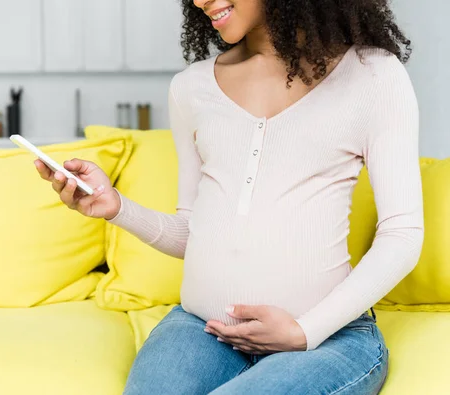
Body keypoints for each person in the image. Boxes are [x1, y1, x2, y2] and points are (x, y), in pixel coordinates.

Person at [35, 0, 424, 393]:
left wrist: (304, 331)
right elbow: (193, 231)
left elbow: (403, 233)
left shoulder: (372, 75)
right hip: (203, 326)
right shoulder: (191, 88)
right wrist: (116, 207)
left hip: (327, 338)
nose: (201, 0)